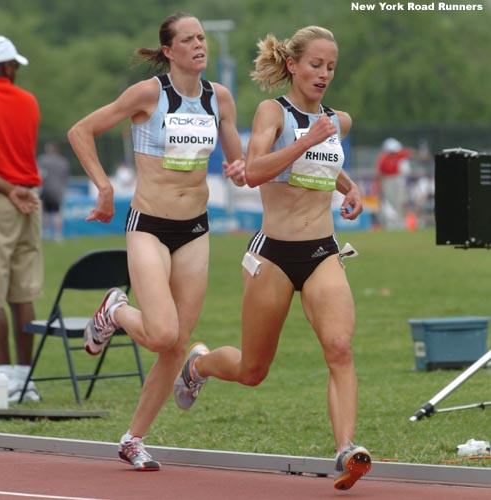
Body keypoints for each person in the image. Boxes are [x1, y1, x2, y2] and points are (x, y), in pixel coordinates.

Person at [174, 26, 372, 491]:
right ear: (293, 66)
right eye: (315, 65)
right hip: (274, 256)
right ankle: (198, 364)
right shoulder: (272, 112)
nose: (324, 74)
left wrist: (351, 187)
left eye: (330, 67)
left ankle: (346, 449)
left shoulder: (336, 121)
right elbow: (253, 172)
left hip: (323, 250)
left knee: (340, 349)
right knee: (252, 371)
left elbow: (330, 161)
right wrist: (306, 139)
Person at [67, 12, 245, 471]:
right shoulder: (150, 94)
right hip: (148, 224)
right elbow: (80, 131)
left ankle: (134, 438)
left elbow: (238, 162)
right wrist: (104, 188)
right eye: (188, 40)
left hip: (195, 230)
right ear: (168, 51)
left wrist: (247, 168)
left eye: (202, 38)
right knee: (162, 332)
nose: (199, 45)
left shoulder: (219, 98)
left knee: (175, 342)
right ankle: (116, 310)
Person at [0, 35, 42, 403]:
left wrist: (8, 189)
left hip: (2, 199)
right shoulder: (29, 101)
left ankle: (1, 377)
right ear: (8, 67)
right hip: (31, 199)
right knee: (23, 292)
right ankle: (25, 381)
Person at [37, 141, 70, 240]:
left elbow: (39, 174)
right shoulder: (63, 161)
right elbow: (65, 177)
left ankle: (46, 232)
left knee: (45, 212)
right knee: (57, 212)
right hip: (58, 190)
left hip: (46, 189)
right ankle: (57, 235)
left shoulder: (43, 160)